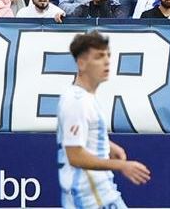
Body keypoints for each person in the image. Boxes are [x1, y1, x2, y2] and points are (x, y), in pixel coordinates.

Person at [57, 31, 151, 208]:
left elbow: (83, 137)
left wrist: (109, 146)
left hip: (101, 195)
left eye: (108, 55)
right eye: (99, 56)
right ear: (81, 63)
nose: (107, 61)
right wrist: (121, 166)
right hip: (90, 199)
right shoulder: (77, 101)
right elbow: (75, 155)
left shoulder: (87, 97)